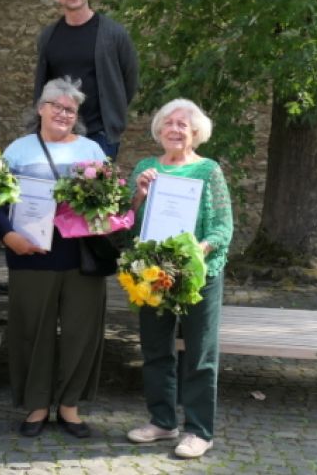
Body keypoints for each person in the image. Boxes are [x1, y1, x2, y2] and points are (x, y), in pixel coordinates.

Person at [0, 77, 107, 439]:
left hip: (81, 257)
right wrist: (8, 236)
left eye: (71, 110)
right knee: (30, 332)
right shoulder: (18, 151)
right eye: (58, 106)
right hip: (30, 254)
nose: (64, 114)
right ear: (41, 108)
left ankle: (69, 406)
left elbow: (109, 202)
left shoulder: (92, 150)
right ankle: (37, 405)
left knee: (79, 333)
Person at [126, 99, 233, 459]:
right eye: (168, 123)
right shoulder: (145, 168)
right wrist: (138, 194)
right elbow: (124, 222)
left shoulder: (209, 171)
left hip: (198, 275)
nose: (174, 129)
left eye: (182, 125)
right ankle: (161, 421)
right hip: (152, 274)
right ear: (159, 130)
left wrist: (195, 252)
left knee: (200, 354)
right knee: (156, 350)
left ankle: (200, 431)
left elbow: (223, 227)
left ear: (195, 132)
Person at [34, 0, 139, 160]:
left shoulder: (113, 34)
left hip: (100, 134)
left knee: (96, 191)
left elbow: (129, 80)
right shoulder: (48, 37)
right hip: (58, 132)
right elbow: (42, 84)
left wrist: (113, 113)